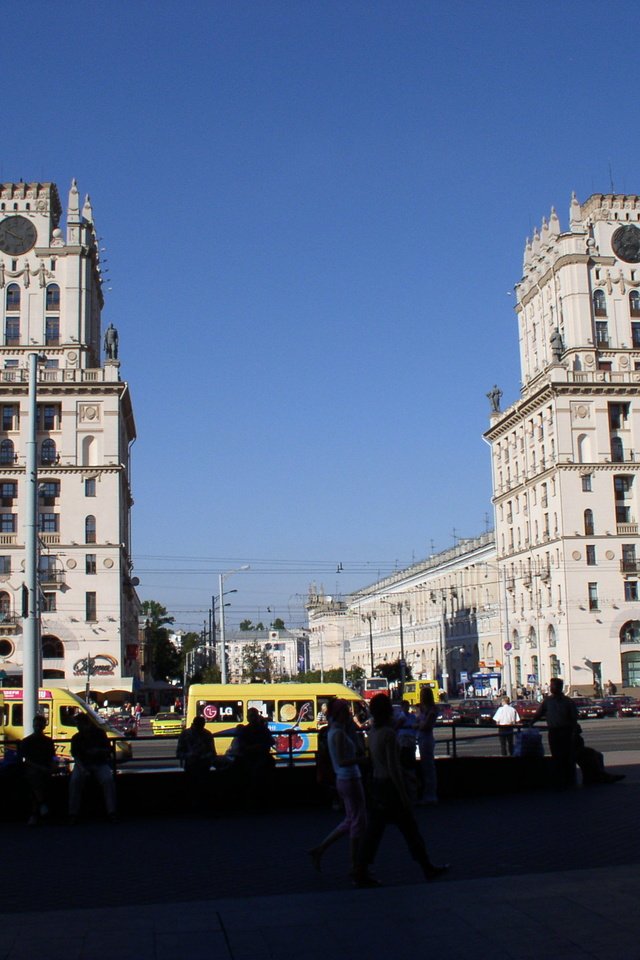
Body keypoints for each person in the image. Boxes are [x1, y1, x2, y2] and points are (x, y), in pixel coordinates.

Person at [355, 693, 448, 887]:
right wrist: (404, 793)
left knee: (375, 832)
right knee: (409, 829)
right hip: (390, 787)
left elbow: (375, 761)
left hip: (377, 785)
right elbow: (394, 767)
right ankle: (426, 866)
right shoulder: (388, 734)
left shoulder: (373, 732)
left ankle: (361, 870)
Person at [308, 699, 370, 878]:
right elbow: (343, 761)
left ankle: (321, 849)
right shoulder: (338, 734)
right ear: (339, 713)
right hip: (349, 778)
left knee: (352, 820)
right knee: (358, 821)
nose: (349, 714)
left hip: (345, 778)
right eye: (345, 711)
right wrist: (362, 760)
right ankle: (355, 866)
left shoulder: (334, 731)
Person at [68, 713, 117, 823]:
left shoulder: (83, 736)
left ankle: (73, 814)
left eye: (79, 724)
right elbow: (109, 750)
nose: (78, 726)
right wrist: (83, 768)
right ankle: (111, 812)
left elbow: (75, 756)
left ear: (85, 724)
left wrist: (97, 752)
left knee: (76, 781)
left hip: (94, 764)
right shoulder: (80, 737)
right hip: (92, 764)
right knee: (107, 780)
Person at [532, 677, 579, 787]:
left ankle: (569, 781)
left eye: (553, 686)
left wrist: (574, 732)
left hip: (566, 731)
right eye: (551, 686)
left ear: (559, 687)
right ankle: (560, 781)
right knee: (556, 756)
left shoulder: (567, 701)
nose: (551, 688)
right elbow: (539, 714)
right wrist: (531, 722)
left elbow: (574, 718)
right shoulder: (548, 701)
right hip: (554, 732)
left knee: (567, 757)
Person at [233, 708, 275, 810]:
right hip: (251, 757)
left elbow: (271, 741)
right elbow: (242, 745)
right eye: (251, 716)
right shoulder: (250, 730)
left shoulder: (259, 730)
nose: (253, 718)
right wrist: (257, 747)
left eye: (254, 716)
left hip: (258, 757)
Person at [18, 715, 56, 826]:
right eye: (36, 725)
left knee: (35, 782)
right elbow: (26, 760)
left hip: (38, 768)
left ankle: (37, 811)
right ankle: (41, 806)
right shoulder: (44, 741)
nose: (38, 727)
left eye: (39, 725)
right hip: (34, 769)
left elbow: (52, 757)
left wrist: (53, 764)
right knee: (36, 779)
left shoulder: (28, 741)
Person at [176, 716, 217, 811]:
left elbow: (179, 753)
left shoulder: (185, 734)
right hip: (199, 765)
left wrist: (189, 755)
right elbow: (212, 752)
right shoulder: (207, 734)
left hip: (194, 765)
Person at [416, 686, 438, 805]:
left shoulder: (431, 710)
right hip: (422, 737)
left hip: (427, 738)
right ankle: (428, 794)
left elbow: (425, 725)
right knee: (426, 767)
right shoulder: (423, 709)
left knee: (428, 767)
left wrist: (418, 725)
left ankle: (431, 795)